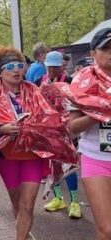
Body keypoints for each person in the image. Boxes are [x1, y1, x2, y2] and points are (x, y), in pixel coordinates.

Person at [0, 46, 75, 240]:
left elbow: (50, 117)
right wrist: (2, 129)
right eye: (10, 66)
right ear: (0, 72)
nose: (17, 70)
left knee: (28, 205)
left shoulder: (34, 91)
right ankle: (25, 235)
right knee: (17, 202)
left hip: (32, 156)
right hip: (7, 157)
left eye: (20, 65)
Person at [68, 28, 111, 240]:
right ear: (93, 53)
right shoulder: (82, 82)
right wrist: (102, 111)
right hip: (97, 159)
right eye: (106, 49)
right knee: (106, 228)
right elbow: (72, 128)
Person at [38, 51, 81, 218]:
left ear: (60, 67)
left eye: (55, 67)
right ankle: (58, 198)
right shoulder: (39, 81)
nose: (52, 70)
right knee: (52, 166)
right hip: (48, 131)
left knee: (69, 165)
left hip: (66, 131)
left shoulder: (70, 81)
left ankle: (75, 202)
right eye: (49, 66)